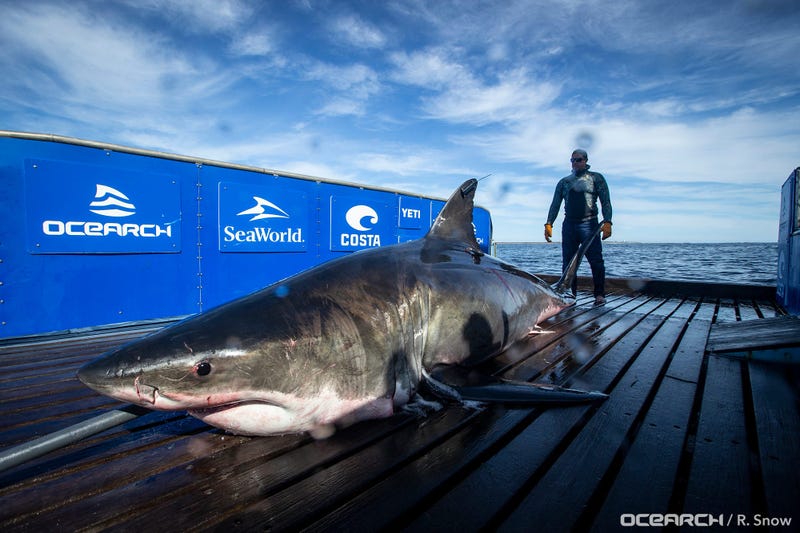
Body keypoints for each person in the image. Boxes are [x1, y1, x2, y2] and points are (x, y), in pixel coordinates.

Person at [544, 149, 612, 304]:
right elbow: (555, 204)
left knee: (596, 260)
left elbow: (606, 201)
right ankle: (570, 295)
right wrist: (549, 223)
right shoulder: (564, 182)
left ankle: (599, 294)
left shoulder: (596, 178)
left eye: (578, 159)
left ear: (586, 161)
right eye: (572, 160)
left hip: (590, 224)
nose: (575, 163)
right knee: (568, 262)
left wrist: (608, 221)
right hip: (569, 225)